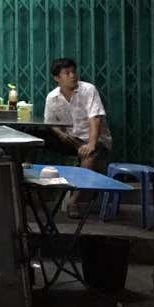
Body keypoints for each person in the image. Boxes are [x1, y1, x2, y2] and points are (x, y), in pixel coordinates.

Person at [44, 57, 112, 218]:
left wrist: (92, 144)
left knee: (89, 155)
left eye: (74, 72)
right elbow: (50, 123)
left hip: (94, 138)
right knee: (36, 139)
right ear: (57, 78)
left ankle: (74, 201)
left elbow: (95, 118)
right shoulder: (52, 97)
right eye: (67, 73)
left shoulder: (88, 90)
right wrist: (60, 134)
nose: (72, 75)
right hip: (71, 138)